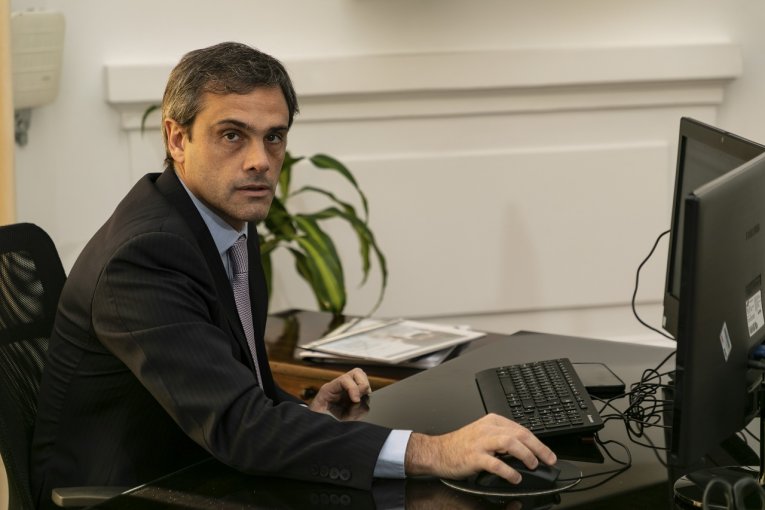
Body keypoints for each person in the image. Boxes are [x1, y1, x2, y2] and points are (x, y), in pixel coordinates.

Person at [30, 41, 555, 508]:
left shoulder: (224, 219)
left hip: (199, 467)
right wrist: (434, 450)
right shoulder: (146, 256)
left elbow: (229, 386)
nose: (260, 161)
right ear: (177, 138)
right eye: (232, 135)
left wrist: (303, 409)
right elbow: (239, 428)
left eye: (274, 137)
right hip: (132, 492)